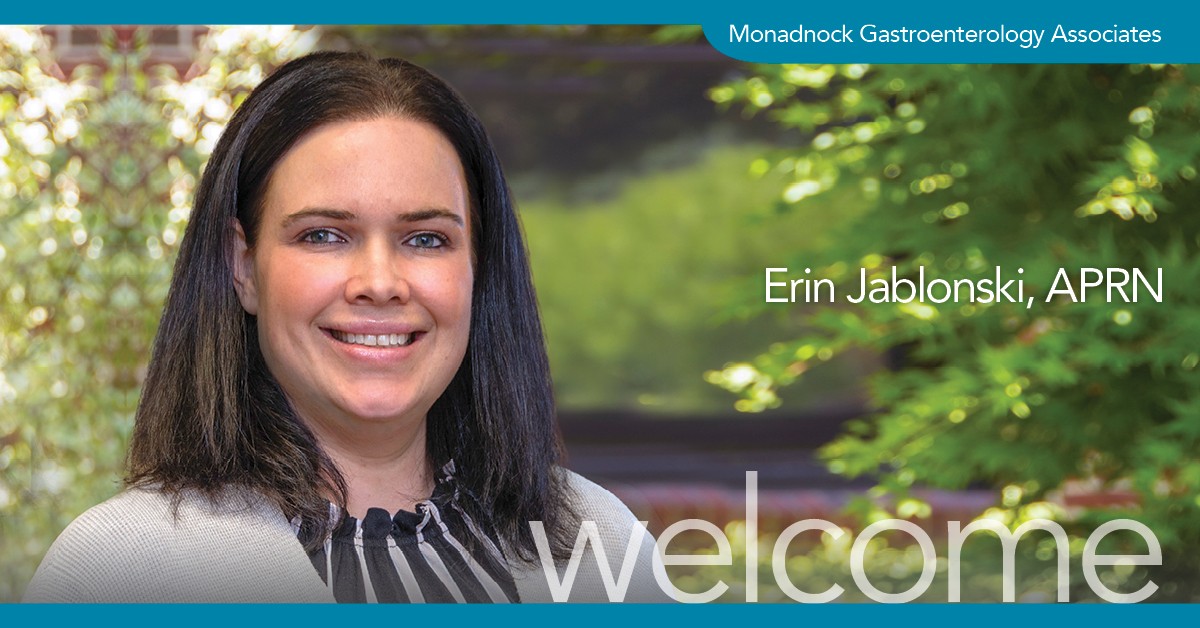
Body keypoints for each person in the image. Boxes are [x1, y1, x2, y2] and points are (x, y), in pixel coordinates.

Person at [25, 51, 667, 603]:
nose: (380, 282)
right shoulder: (120, 570)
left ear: (479, 266)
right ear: (243, 266)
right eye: (325, 235)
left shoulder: (601, 543)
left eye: (425, 238)